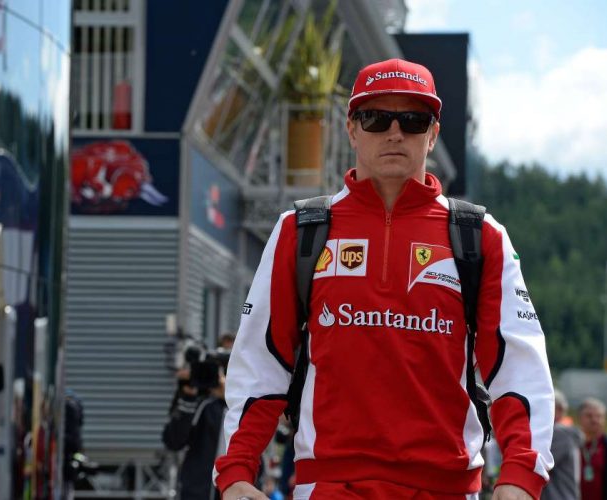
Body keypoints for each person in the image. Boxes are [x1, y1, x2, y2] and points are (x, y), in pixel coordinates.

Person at [213, 58, 555, 500]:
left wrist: (521, 475)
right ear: (351, 130)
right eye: (376, 118)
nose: (395, 133)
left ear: (433, 134)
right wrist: (237, 471)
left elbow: (519, 367)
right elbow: (260, 363)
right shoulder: (299, 230)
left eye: (413, 120)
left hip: (446, 488)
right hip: (329, 485)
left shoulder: (481, 236)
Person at [163, 340, 230, 499]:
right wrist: (188, 397)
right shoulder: (200, 401)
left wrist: (230, 396)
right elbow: (173, 441)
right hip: (197, 491)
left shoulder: (243, 402)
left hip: (236, 489)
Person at [542, 390, 581, 500]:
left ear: (559, 410)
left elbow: (541, 467)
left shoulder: (559, 434)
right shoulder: (562, 433)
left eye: (542, 405)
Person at [577, 397, 607, 500]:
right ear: (580, 418)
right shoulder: (570, 446)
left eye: (599, 416)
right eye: (589, 416)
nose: (594, 420)